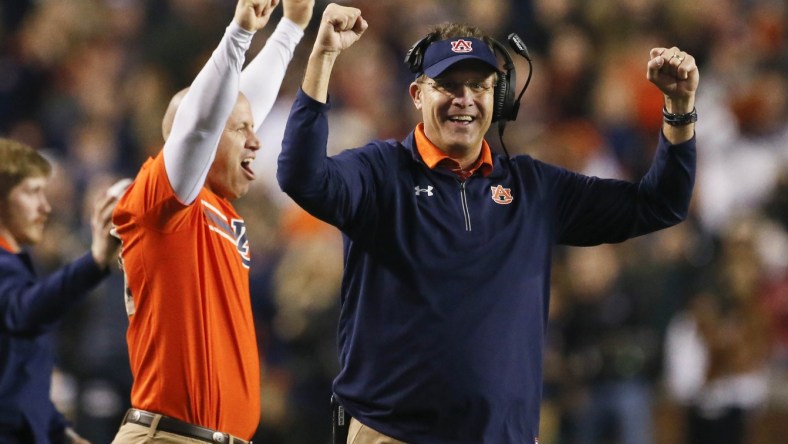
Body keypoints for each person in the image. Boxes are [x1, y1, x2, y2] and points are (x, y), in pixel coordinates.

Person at [278, 4, 699, 443]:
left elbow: (660, 204)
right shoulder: (379, 173)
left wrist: (679, 109)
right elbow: (301, 176)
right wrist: (323, 57)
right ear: (418, 95)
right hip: (393, 436)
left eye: (478, 85)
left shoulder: (534, 188)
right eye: (448, 85)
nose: (464, 98)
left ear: (497, 96)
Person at [110, 0, 313, 442]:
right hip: (170, 437)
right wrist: (239, 34)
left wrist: (290, 29)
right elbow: (203, 124)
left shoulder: (214, 205)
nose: (256, 140)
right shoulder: (163, 203)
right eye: (242, 130)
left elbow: (234, 108)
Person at [0, 138, 124, 444]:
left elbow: (19, 368)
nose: (45, 206)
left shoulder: (18, 261)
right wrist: (94, 262)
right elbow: (24, 312)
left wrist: (60, 430)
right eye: (32, 193)